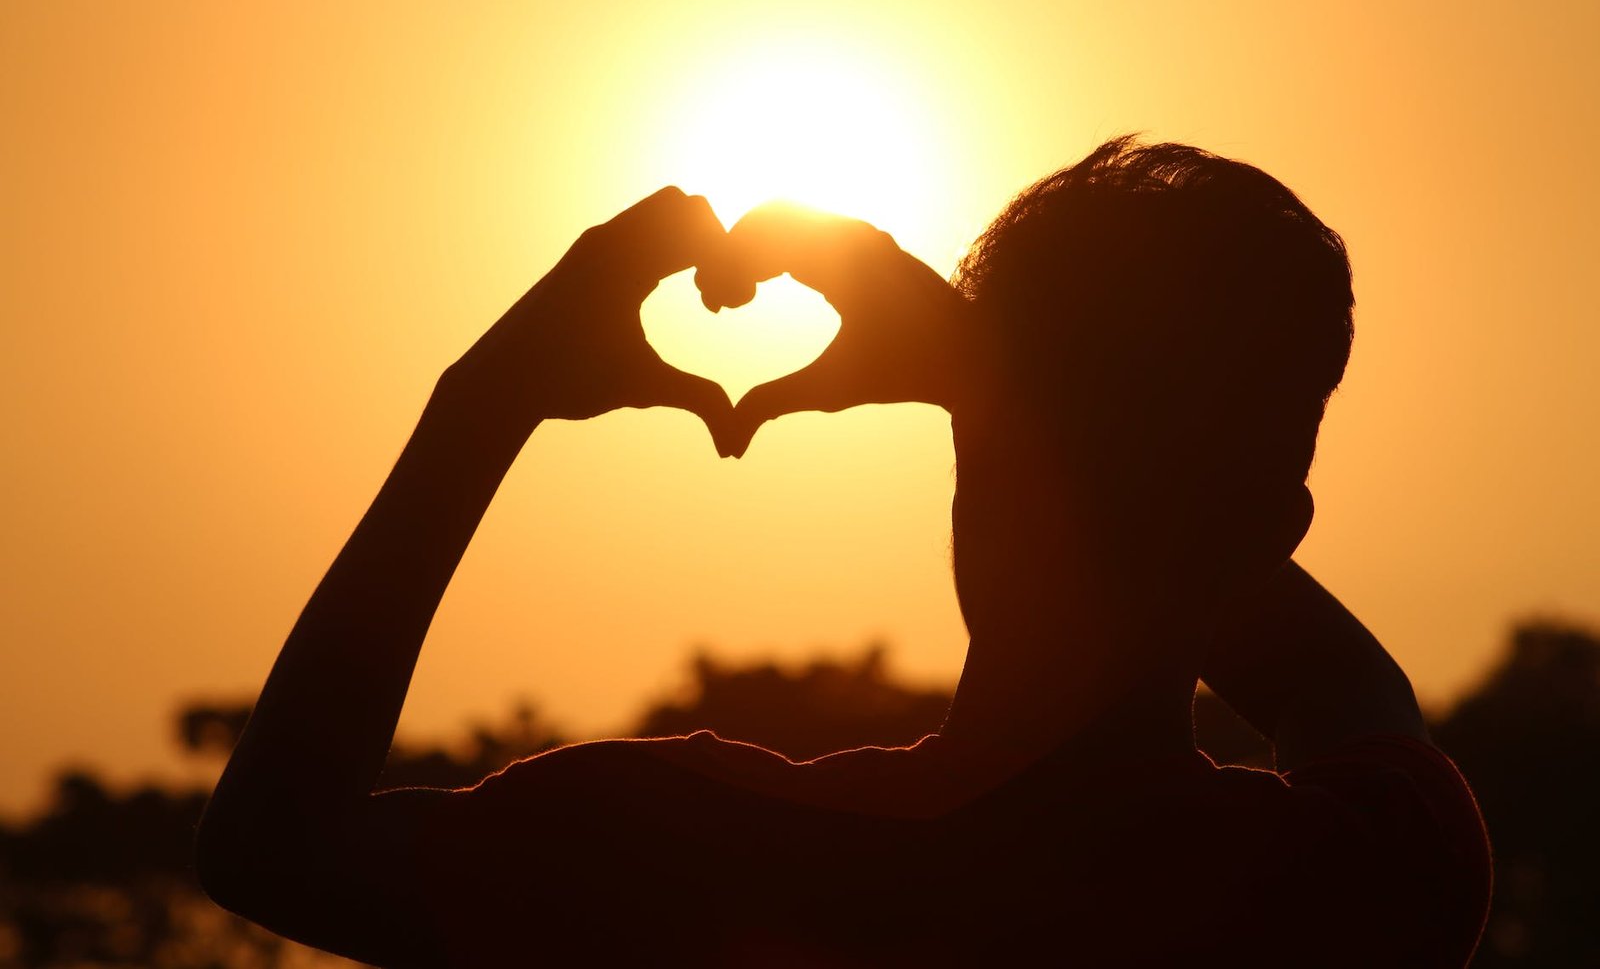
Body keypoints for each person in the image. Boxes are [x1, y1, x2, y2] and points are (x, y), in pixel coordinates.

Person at [196, 137, 1491, 966]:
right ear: (1273, 529)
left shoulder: (689, 847)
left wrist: (480, 403)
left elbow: (274, 842)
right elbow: (1342, 688)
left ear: (970, 471)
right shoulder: (1364, 878)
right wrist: (995, 387)